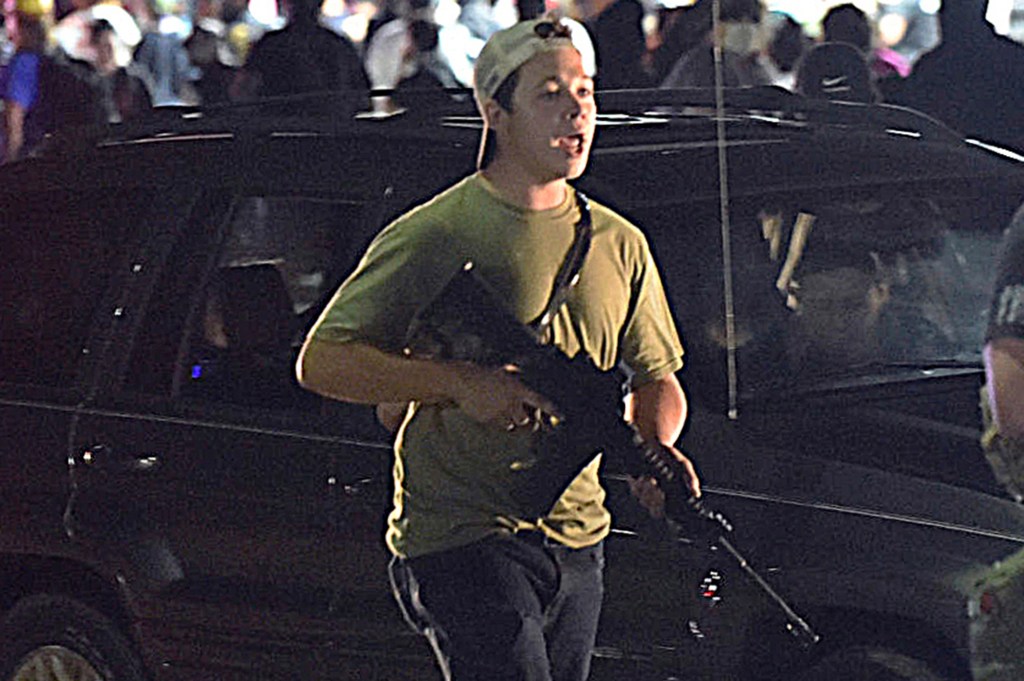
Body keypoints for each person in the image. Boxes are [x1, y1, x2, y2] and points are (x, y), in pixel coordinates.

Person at [296, 15, 699, 681]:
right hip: (462, 532)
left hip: (578, 533)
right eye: (548, 93)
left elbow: (657, 374)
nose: (576, 110)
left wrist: (654, 447)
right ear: (496, 112)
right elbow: (323, 359)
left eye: (586, 91)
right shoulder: (439, 231)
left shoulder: (618, 242)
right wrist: (457, 382)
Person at [230, 0, 368, 101]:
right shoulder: (339, 46)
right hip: (332, 134)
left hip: (280, 134)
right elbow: (362, 96)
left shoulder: (270, 45)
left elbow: (241, 93)